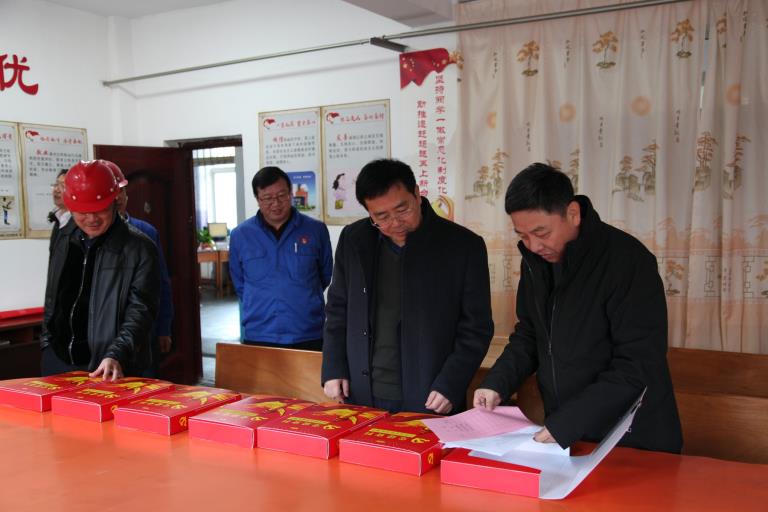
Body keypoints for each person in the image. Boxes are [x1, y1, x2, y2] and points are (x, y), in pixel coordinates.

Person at [474, 163, 682, 453]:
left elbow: (637, 364)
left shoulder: (628, 261)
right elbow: (531, 334)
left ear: (572, 213)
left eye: (541, 232)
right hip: (571, 433)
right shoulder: (538, 262)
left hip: (631, 436)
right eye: (523, 236)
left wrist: (568, 422)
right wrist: (496, 383)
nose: (533, 246)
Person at [322, 159, 493, 414]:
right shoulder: (354, 239)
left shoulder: (463, 246)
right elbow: (338, 309)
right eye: (382, 217)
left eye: (402, 210)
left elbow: (476, 328)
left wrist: (451, 384)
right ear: (369, 213)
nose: (395, 222)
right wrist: (334, 367)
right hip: (361, 390)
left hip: (432, 394)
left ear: (416, 193)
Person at [41, 160, 161, 381]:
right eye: (82, 212)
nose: (91, 219)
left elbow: (141, 310)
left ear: (114, 202)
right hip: (58, 360)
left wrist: (116, 354)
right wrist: (47, 343)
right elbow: (53, 296)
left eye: (99, 210)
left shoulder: (139, 248)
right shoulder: (63, 238)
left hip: (109, 366)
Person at [229, 166, 332, 350]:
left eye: (281, 195)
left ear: (291, 194)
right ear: (257, 199)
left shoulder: (316, 230)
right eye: (267, 198)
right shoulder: (240, 235)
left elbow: (325, 275)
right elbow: (240, 283)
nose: (275, 203)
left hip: (307, 332)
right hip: (259, 332)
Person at [108, 161, 174, 376]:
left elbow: (161, 282)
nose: (118, 198)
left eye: (122, 191)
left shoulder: (146, 232)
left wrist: (164, 327)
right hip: (107, 334)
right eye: (112, 192)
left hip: (144, 330)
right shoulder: (91, 235)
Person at [47, 169, 73, 252]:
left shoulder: (80, 222)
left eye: (63, 186)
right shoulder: (57, 217)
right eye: (56, 184)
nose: (56, 189)